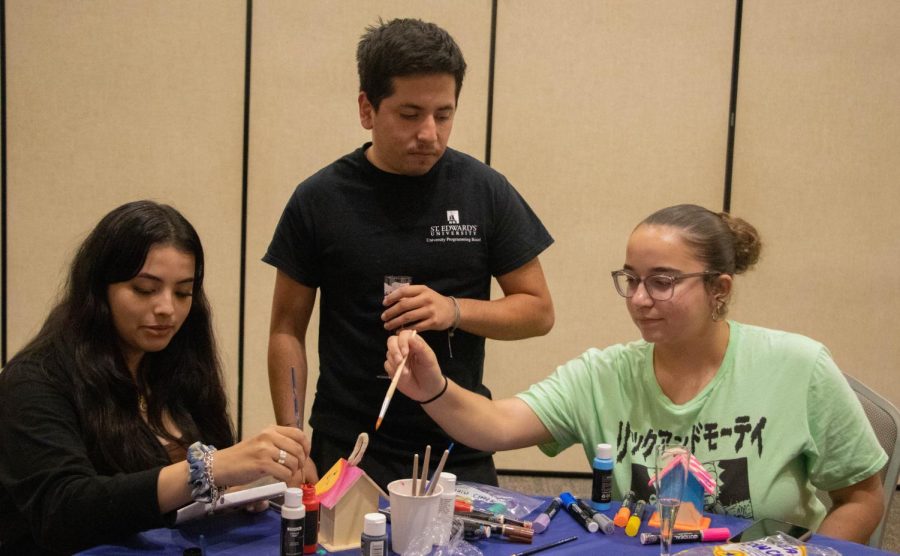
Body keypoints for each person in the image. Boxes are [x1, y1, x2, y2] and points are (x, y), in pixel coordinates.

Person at [385, 204, 887, 543]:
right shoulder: (605, 373)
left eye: (663, 282)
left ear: (720, 289)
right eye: (632, 280)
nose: (641, 299)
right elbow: (494, 425)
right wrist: (432, 388)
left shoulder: (798, 366)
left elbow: (862, 498)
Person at [265, 18, 554, 490]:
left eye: (444, 114)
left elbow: (538, 312)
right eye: (410, 113)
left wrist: (453, 310)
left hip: (460, 438)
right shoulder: (319, 198)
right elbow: (285, 329)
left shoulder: (485, 191)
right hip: (349, 443)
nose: (430, 134)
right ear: (367, 108)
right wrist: (293, 439)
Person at [0, 201, 310, 555]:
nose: (167, 309)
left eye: (182, 292)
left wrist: (235, 490)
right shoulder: (34, 380)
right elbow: (65, 511)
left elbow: (187, 496)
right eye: (145, 290)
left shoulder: (176, 364)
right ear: (99, 289)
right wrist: (209, 470)